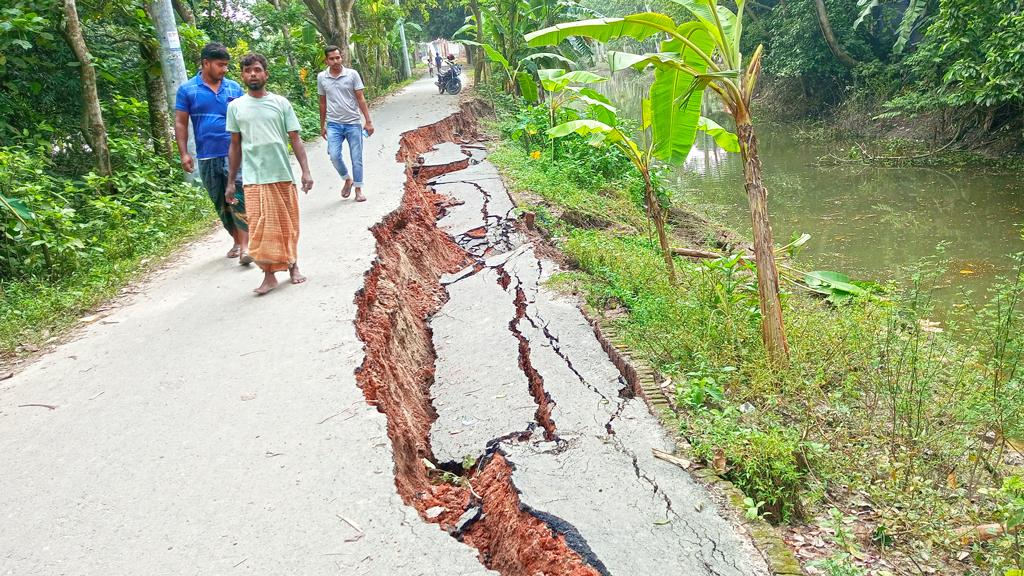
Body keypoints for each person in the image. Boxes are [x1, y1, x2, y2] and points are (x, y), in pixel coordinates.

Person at [225, 54, 314, 296]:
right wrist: (231, 181)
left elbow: (295, 139)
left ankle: (293, 266)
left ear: (266, 73)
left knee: (288, 225)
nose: (252, 74)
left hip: (282, 174)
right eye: (247, 71)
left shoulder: (281, 103)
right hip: (254, 178)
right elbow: (235, 145)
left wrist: (306, 171)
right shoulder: (235, 107)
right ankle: (269, 275)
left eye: (256, 70)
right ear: (242, 75)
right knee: (260, 228)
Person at [174, 42, 250, 263]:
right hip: (207, 155)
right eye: (220, 65)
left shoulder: (233, 88)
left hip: (234, 152)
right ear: (205, 63)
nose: (224, 69)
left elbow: (243, 118)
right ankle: (236, 239)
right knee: (219, 201)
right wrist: (184, 153)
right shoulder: (187, 90)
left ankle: (245, 246)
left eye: (226, 65)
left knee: (237, 195)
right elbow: (180, 122)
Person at [317, 45, 374, 203]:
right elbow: (322, 103)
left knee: (356, 157)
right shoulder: (322, 77)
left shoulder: (352, 75)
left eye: (338, 57)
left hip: (353, 122)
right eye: (332, 58)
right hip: (334, 123)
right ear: (326, 60)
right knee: (334, 155)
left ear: (341, 57)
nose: (336, 61)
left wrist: (368, 121)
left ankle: (358, 189)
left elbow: (360, 98)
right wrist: (322, 125)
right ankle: (347, 179)